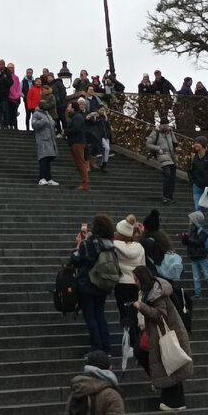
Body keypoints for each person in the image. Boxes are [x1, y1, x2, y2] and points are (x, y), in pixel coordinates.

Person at [132, 265, 192, 412]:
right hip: (162, 334)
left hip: (167, 334)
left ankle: (173, 402)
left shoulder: (156, 294)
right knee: (169, 365)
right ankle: (175, 402)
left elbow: (160, 315)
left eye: (135, 279)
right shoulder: (152, 291)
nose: (134, 282)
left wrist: (141, 307)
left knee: (169, 365)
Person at [71, 214, 116, 354]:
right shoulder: (109, 244)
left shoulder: (88, 243)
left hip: (87, 284)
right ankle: (106, 347)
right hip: (102, 283)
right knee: (100, 315)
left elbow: (76, 260)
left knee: (90, 316)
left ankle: (97, 348)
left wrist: (78, 246)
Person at [113, 217, 145, 332]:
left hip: (121, 283)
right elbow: (143, 267)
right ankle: (136, 341)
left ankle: (127, 341)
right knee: (136, 314)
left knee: (124, 314)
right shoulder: (140, 248)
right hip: (135, 284)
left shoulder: (114, 247)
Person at [180, 210, 208, 299]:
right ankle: (197, 293)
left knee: (207, 275)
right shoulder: (190, 231)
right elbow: (186, 243)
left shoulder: (201, 232)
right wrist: (184, 238)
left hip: (201, 257)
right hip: (194, 257)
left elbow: (199, 242)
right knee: (196, 277)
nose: (189, 221)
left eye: (191, 219)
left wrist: (188, 239)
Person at [188, 137, 208, 235]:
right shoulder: (193, 157)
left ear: (203, 144)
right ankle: (200, 230)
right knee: (198, 209)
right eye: (195, 143)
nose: (195, 145)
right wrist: (192, 182)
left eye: (198, 143)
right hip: (197, 186)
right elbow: (190, 170)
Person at [145, 119, 178, 204]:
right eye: (163, 124)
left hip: (172, 156)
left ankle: (170, 196)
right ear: (160, 125)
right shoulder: (156, 132)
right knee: (168, 175)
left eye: (166, 124)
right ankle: (166, 196)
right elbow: (148, 144)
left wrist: (176, 147)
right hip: (163, 156)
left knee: (172, 177)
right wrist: (157, 148)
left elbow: (175, 143)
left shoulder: (170, 132)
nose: (165, 126)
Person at [29, 101, 59, 185]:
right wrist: (43, 121)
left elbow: (52, 122)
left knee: (48, 159)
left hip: (50, 138)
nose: (46, 106)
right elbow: (34, 124)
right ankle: (42, 178)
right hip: (42, 139)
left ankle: (48, 178)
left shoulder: (47, 113)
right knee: (43, 158)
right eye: (44, 104)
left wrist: (52, 122)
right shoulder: (36, 114)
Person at [65, 101, 90, 190]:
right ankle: (84, 183)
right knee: (79, 163)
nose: (67, 108)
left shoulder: (77, 117)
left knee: (80, 163)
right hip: (75, 142)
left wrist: (66, 132)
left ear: (73, 108)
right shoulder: (76, 117)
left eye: (69, 107)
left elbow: (76, 128)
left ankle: (85, 183)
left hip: (77, 142)